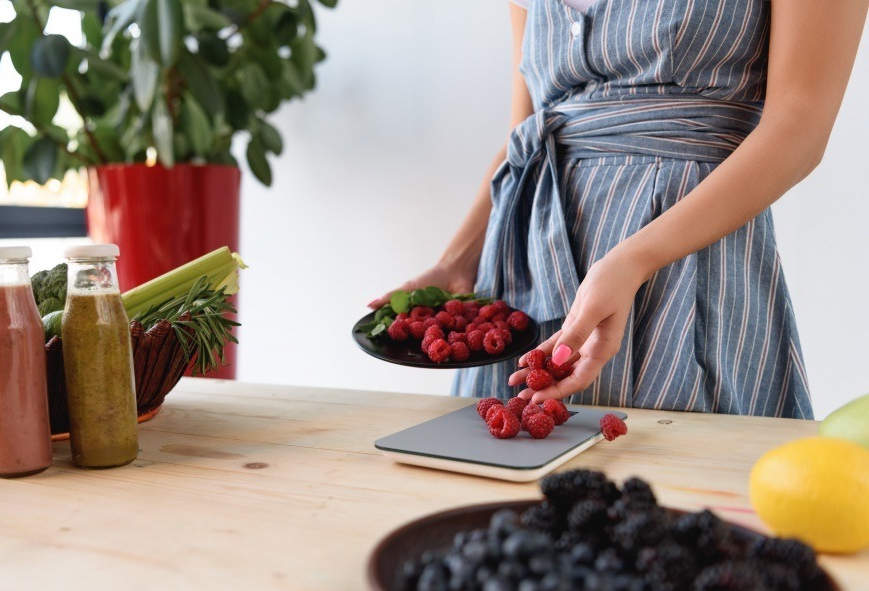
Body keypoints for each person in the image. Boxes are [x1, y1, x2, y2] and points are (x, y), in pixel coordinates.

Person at [371, 0, 868, 418]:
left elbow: (799, 126)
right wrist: (459, 259)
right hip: (524, 273)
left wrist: (633, 261)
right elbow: (527, 135)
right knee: (505, 507)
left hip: (682, 268)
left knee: (677, 500)